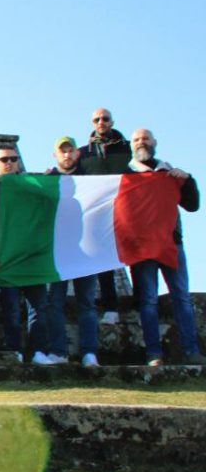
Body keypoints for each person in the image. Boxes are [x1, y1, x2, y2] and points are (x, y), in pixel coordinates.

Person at [125, 128, 204, 367]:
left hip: (172, 243)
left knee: (182, 298)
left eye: (145, 138)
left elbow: (192, 206)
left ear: (154, 142)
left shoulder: (170, 174)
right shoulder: (124, 176)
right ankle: (153, 354)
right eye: (137, 139)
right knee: (148, 300)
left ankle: (191, 351)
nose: (142, 142)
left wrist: (187, 180)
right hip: (143, 248)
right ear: (131, 145)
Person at [0, 145, 57, 364]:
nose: (8, 163)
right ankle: (15, 350)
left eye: (13, 159)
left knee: (38, 308)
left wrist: (53, 179)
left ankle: (38, 350)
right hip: (6, 260)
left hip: (32, 259)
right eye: (3, 160)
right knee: (11, 309)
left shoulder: (32, 187)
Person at [44, 137, 100, 367]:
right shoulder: (47, 181)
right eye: (62, 151)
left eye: (70, 151)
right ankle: (58, 350)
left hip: (86, 251)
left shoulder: (93, 180)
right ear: (55, 155)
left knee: (86, 302)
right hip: (58, 253)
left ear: (77, 154)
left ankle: (89, 352)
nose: (66, 155)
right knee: (54, 302)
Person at [77, 107, 131, 326]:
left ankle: (136, 303)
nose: (101, 122)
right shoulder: (84, 153)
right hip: (99, 212)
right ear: (92, 123)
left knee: (135, 255)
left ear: (112, 121)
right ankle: (110, 306)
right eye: (97, 119)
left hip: (127, 209)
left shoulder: (129, 149)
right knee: (103, 260)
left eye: (105, 119)